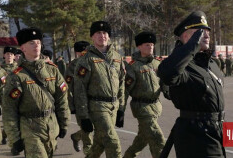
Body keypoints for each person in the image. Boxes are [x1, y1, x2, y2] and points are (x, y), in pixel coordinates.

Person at [158, 11, 225, 158]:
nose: (206, 35)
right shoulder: (183, 65)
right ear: (186, 37)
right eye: (200, 32)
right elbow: (167, 73)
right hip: (195, 135)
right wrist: (191, 47)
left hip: (217, 130)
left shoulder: (211, 64)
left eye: (207, 31)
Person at [2, 27, 70, 157]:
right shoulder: (16, 76)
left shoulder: (52, 70)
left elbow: (62, 99)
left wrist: (64, 122)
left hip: (51, 126)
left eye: (38, 42)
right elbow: (9, 109)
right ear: (23, 48)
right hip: (30, 129)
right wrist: (14, 138)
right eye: (31, 43)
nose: (36, 45)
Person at [74, 21, 126, 158]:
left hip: (113, 106)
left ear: (108, 36)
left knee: (99, 143)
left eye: (104, 33)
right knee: (113, 142)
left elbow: (121, 83)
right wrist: (84, 116)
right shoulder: (86, 59)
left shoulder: (117, 57)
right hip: (97, 106)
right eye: (98, 33)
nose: (101, 35)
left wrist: (121, 107)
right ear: (92, 36)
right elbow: (80, 89)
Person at [123, 31, 165, 158]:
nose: (150, 47)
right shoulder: (133, 66)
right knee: (158, 140)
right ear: (139, 47)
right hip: (141, 107)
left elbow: (164, 81)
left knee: (142, 139)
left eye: (152, 44)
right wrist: (120, 110)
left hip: (155, 106)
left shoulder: (157, 63)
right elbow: (125, 89)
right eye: (147, 45)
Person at [65, 41, 93, 154]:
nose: (84, 53)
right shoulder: (73, 66)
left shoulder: (93, 63)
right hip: (80, 103)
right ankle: (89, 153)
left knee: (92, 127)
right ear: (77, 52)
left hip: (95, 102)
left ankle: (76, 137)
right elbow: (67, 87)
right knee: (87, 133)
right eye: (82, 51)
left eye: (87, 51)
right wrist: (71, 105)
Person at [0, 46, 19, 145]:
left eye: (11, 54)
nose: (9, 56)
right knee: (8, 120)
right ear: (4, 55)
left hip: (18, 97)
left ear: (14, 56)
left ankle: (9, 136)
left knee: (17, 120)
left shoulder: (19, 68)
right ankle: (5, 136)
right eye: (7, 54)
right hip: (5, 98)